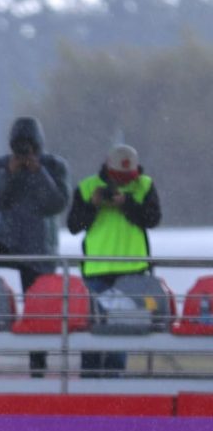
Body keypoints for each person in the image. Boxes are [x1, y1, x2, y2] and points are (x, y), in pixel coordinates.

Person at [0, 117, 70, 375]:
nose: (25, 153)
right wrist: (9, 174)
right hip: (7, 241)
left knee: (37, 310)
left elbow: (57, 203)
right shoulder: (1, 167)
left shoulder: (54, 166)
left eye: (29, 147)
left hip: (38, 251)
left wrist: (39, 173)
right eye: (20, 147)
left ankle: (38, 367)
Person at [67, 143, 162, 376]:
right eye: (119, 178)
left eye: (127, 178)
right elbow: (73, 225)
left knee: (121, 335)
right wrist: (93, 205)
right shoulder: (88, 187)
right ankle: (90, 383)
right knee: (92, 333)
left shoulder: (145, 185)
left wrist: (126, 204)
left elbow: (152, 219)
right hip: (97, 274)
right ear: (108, 171)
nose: (122, 184)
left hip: (132, 274)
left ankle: (113, 383)